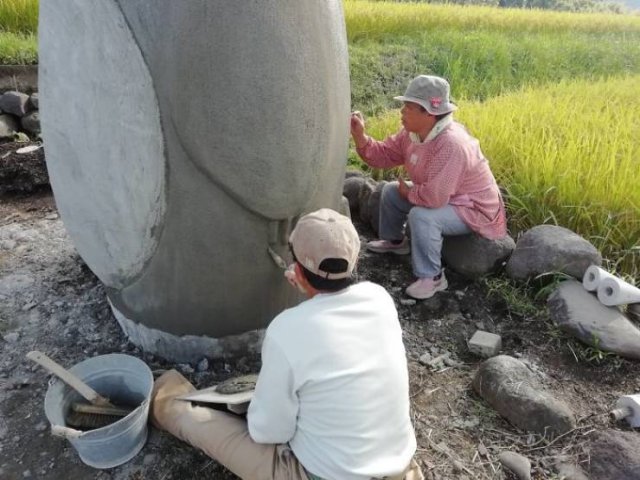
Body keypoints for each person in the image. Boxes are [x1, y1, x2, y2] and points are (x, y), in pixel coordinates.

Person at [151, 208, 423, 480]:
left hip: (324, 475)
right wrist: (311, 288)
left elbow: (268, 432)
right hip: (397, 466)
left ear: (298, 270)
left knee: (201, 423)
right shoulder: (379, 299)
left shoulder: (286, 331)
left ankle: (165, 399)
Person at [350, 75, 507, 300]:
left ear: (429, 113)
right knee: (392, 191)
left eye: (409, 107)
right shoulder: (411, 133)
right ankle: (396, 242)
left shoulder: (451, 144)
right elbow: (384, 154)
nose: (402, 112)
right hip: (443, 193)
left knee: (421, 216)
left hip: (472, 205)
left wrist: (411, 193)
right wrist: (360, 136)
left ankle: (432, 277)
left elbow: (434, 199)